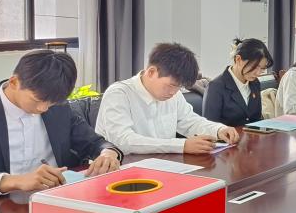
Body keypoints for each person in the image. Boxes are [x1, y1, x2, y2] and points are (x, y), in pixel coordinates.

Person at [0, 50, 122, 199]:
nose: (43, 108)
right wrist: (15, 181)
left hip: (57, 202)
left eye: (51, 103)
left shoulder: (59, 108)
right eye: (37, 100)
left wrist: (108, 153)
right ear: (14, 82)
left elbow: (96, 143)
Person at [96, 43, 240, 155]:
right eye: (171, 85)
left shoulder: (174, 94)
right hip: (123, 169)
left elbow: (190, 121)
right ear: (151, 72)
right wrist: (181, 145)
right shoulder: (119, 94)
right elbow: (124, 142)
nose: (174, 92)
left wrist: (218, 130)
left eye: (179, 87)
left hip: (162, 165)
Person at [202, 38, 273, 127]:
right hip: (227, 136)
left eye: (262, 68)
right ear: (238, 59)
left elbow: (256, 120)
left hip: (252, 135)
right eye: (254, 67)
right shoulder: (216, 87)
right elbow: (209, 126)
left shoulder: (255, 83)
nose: (258, 73)